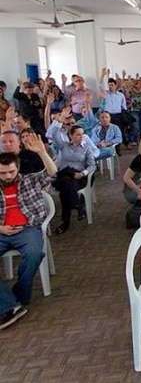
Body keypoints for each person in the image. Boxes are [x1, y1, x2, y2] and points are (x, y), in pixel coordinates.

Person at [0, 134, 57, 329]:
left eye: (11, 172)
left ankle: (16, 298)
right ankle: (12, 304)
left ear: (17, 168)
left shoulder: (29, 181)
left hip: (28, 228)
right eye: (3, 173)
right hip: (1, 231)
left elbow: (52, 172)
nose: (8, 176)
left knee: (34, 254)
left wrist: (42, 152)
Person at [49, 119, 96, 235]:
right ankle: (77, 205)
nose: (81, 137)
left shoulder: (86, 149)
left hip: (78, 177)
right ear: (71, 135)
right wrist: (59, 121)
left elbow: (92, 166)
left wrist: (83, 173)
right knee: (66, 178)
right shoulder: (64, 146)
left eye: (82, 134)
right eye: (78, 134)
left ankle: (65, 222)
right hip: (65, 177)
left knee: (65, 188)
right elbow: (52, 134)